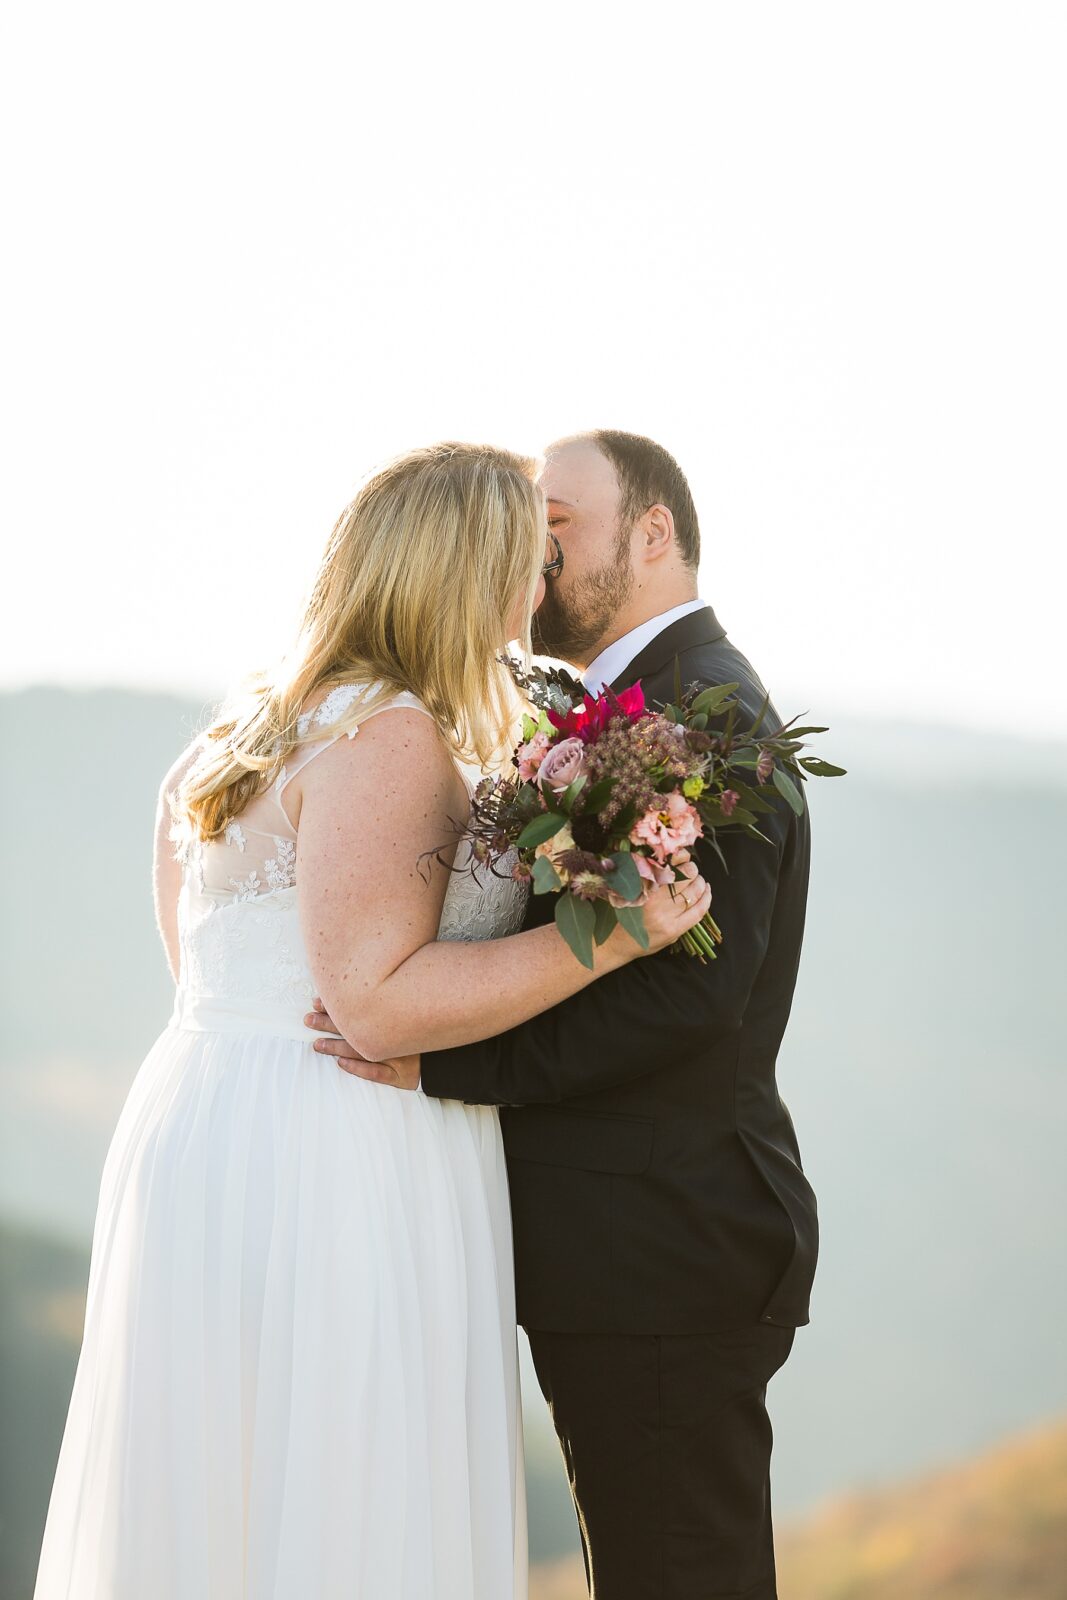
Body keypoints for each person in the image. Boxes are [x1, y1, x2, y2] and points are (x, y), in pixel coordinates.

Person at [33, 441, 711, 1600]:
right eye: (522, 560)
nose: (533, 591)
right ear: (463, 568)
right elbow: (374, 1000)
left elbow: (196, 961)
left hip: (210, 1128)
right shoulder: (389, 731)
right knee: (345, 1502)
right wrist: (614, 934)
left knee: (229, 1497)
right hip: (340, 1149)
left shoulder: (247, 723)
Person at [309, 431, 818, 1600]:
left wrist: (435, 1064)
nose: (531, 561)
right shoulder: (612, 707)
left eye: (557, 529)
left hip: (666, 1244)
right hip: (623, 1246)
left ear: (652, 535)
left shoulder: (711, 712)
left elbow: (688, 994)